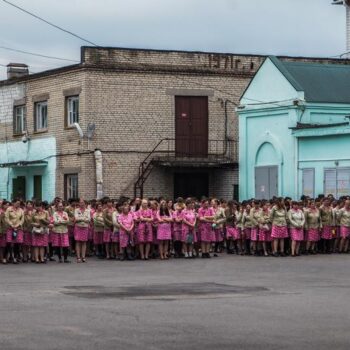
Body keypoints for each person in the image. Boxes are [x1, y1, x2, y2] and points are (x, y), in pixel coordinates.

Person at [5, 199, 25, 264]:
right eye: (17, 203)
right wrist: (11, 224)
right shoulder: (9, 209)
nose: (18, 204)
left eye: (19, 203)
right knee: (8, 243)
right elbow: (6, 218)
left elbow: (22, 219)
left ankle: (15, 258)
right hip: (10, 228)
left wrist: (18, 225)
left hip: (18, 228)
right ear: (13, 203)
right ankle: (5, 257)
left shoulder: (21, 210)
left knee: (17, 243)